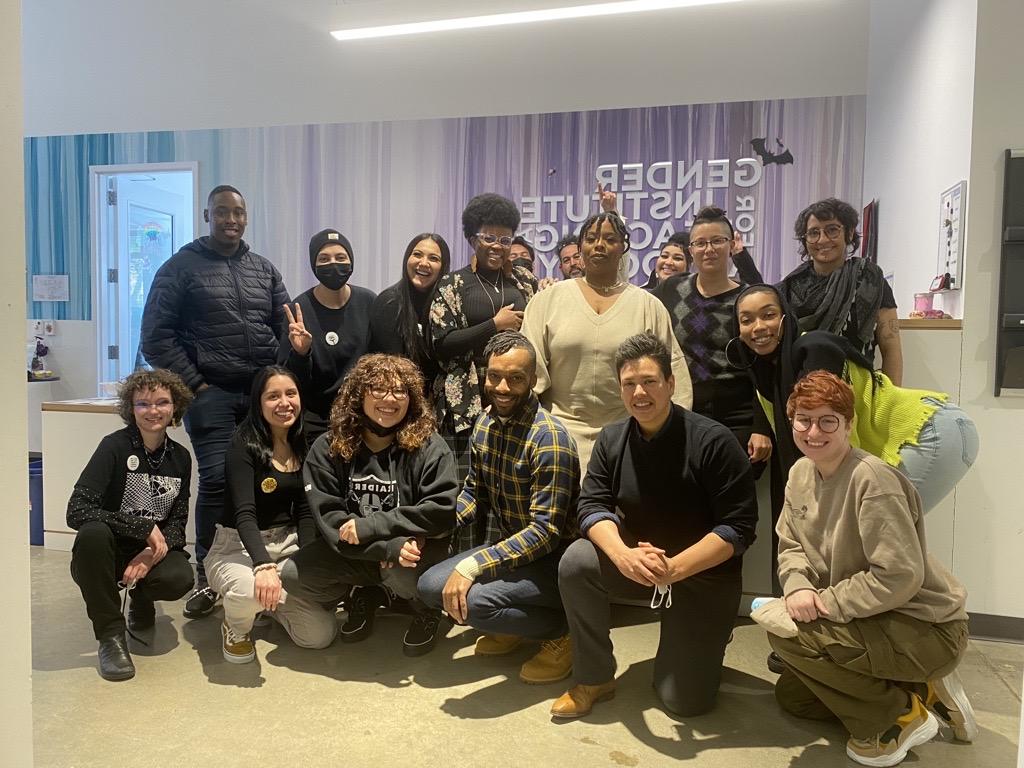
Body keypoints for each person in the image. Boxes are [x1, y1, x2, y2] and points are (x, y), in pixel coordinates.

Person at [767, 371, 975, 767]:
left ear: (848, 424)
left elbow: (897, 576)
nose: (814, 431)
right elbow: (790, 544)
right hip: (870, 618)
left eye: (828, 420)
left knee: (793, 639)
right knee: (792, 698)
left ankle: (897, 719)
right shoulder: (799, 473)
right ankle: (920, 689)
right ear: (791, 422)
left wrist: (822, 601)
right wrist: (796, 588)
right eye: (804, 420)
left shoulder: (872, 480)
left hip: (925, 625)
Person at [553, 334, 757, 718]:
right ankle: (594, 676)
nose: (639, 392)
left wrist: (674, 569)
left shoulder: (713, 441)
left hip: (701, 574)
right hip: (641, 563)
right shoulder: (612, 439)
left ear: (670, 384)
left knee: (684, 703)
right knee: (577, 561)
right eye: (629, 384)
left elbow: (739, 528)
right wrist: (623, 556)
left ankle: (709, 635)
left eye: (649, 381)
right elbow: (591, 506)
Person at [141, 184, 289, 620]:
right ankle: (208, 577)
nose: (231, 220)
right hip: (211, 394)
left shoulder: (262, 269)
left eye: (238, 213)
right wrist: (196, 386)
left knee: (264, 482)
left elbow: (285, 326)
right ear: (207, 215)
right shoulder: (180, 268)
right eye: (222, 212)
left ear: (246, 217)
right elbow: (155, 337)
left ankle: (256, 569)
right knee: (219, 481)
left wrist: (277, 378)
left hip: (259, 393)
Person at [418, 332, 581, 683]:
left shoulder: (549, 439)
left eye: (516, 378)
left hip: (555, 562)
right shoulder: (485, 424)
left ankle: (566, 632)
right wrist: (433, 524)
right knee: (432, 586)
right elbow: (475, 494)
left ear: (534, 380)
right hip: (512, 548)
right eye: (495, 376)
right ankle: (513, 623)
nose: (503, 387)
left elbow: (545, 533)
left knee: (473, 601)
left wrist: (472, 565)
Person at [733, 284, 978, 513]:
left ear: (785, 317)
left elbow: (835, 436)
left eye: (769, 315)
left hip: (928, 433)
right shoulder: (767, 376)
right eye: (746, 320)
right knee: (879, 540)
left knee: (872, 533)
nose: (758, 326)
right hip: (920, 435)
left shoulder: (814, 351)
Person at [280, 354, 459, 657]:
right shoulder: (327, 447)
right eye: (378, 389)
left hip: (414, 553)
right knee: (294, 575)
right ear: (358, 394)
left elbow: (441, 511)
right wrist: (386, 548)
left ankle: (422, 608)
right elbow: (331, 523)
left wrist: (372, 526)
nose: (390, 399)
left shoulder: (430, 446)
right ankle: (367, 590)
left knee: (404, 571)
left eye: (400, 391)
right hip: (366, 552)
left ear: (411, 398)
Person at [521, 210, 693, 471]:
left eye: (610, 239)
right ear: (580, 248)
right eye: (591, 238)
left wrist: (669, 435)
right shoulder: (547, 301)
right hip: (558, 438)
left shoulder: (647, 305)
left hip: (630, 436)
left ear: (623, 248)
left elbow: (673, 376)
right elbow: (528, 371)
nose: (599, 245)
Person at [67, 369, 195, 681]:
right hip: (108, 548)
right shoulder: (113, 447)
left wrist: (150, 554)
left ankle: (141, 596)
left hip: (149, 552)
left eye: (162, 402)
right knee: (92, 535)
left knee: (179, 578)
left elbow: (177, 523)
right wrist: (140, 527)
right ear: (131, 408)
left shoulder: (181, 458)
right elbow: (77, 510)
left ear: (174, 406)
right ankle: (110, 636)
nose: (153, 411)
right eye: (143, 404)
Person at [205, 366, 337, 664]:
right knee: (251, 591)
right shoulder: (242, 443)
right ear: (258, 402)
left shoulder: (303, 442)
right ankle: (236, 627)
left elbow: (305, 511)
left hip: (285, 543)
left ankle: (268, 604)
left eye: (291, 393)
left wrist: (306, 561)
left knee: (319, 635)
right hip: (237, 545)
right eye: (273, 396)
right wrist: (262, 565)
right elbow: (244, 513)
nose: (284, 403)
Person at [430, 193, 536, 547]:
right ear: (472, 238)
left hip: (516, 401)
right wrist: (495, 324)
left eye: (505, 239)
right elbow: (441, 344)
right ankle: (457, 572)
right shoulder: (453, 284)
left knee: (513, 490)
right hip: (466, 408)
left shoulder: (525, 281)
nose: (497, 246)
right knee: (467, 492)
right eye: (488, 237)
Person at [655, 207, 772, 471]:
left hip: (737, 419)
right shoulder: (670, 290)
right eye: (700, 243)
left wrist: (761, 427)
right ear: (691, 251)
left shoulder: (749, 299)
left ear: (732, 246)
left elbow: (766, 364)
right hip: (681, 412)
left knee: (730, 502)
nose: (709, 249)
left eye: (717, 241)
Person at [780, 198, 903, 383]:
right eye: (814, 233)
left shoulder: (869, 280)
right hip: (802, 392)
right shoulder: (789, 287)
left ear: (850, 232)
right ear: (805, 240)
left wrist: (893, 400)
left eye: (832, 230)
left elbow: (890, 346)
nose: (822, 240)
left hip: (858, 390)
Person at [280, 228, 376, 443]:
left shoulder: (369, 302)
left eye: (340, 257)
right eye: (324, 259)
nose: (333, 264)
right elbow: (289, 381)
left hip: (363, 416)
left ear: (351, 261)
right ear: (314, 265)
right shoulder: (298, 311)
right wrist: (301, 353)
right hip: (315, 421)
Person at [368, 232, 451, 393]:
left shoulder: (447, 305)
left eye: (433, 258)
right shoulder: (388, 302)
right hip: (398, 397)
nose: (424, 263)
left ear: (444, 267)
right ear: (407, 259)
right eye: (417, 255)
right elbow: (392, 368)